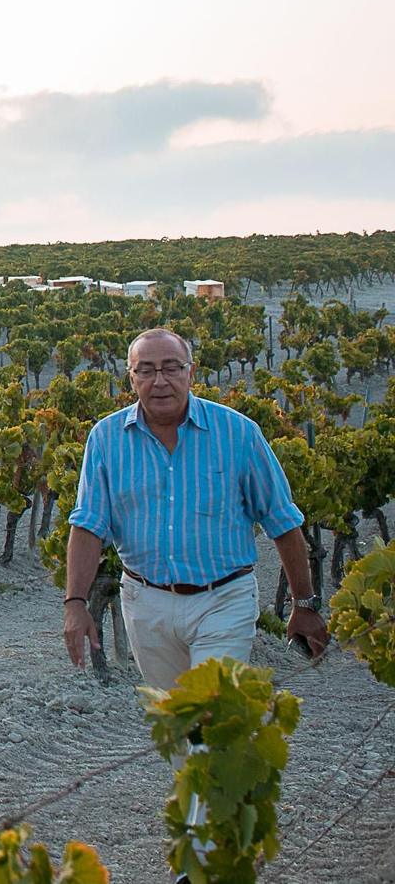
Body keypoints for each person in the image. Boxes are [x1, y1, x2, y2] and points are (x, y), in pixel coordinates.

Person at [60, 326, 329, 882]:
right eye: (146, 369)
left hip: (224, 600)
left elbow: (284, 523)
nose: (160, 380)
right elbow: (87, 525)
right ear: (130, 377)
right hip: (145, 603)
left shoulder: (238, 434)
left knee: (209, 721)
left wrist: (304, 603)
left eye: (171, 367)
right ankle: (230, 821)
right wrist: (75, 602)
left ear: (191, 370)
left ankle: (202, 863)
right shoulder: (106, 440)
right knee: (182, 733)